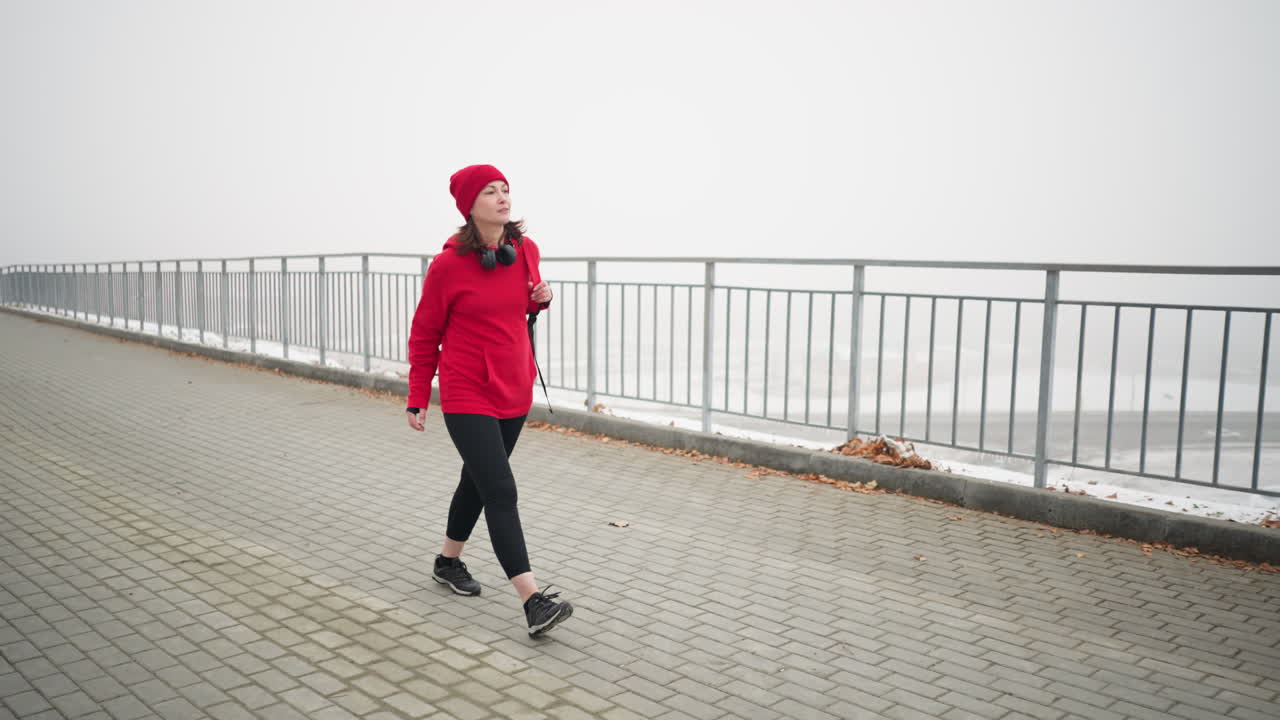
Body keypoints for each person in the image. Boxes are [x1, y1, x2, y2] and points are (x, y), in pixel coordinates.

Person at [404, 164, 572, 637]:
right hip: (466, 390)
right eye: (490, 191)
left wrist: (542, 297)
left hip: (513, 388)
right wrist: (418, 395)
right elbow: (425, 334)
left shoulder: (525, 251)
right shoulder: (448, 266)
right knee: (501, 490)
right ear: (470, 205)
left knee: (477, 482)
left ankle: (447, 562)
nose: (502, 197)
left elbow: (527, 304)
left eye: (505, 189)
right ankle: (533, 600)